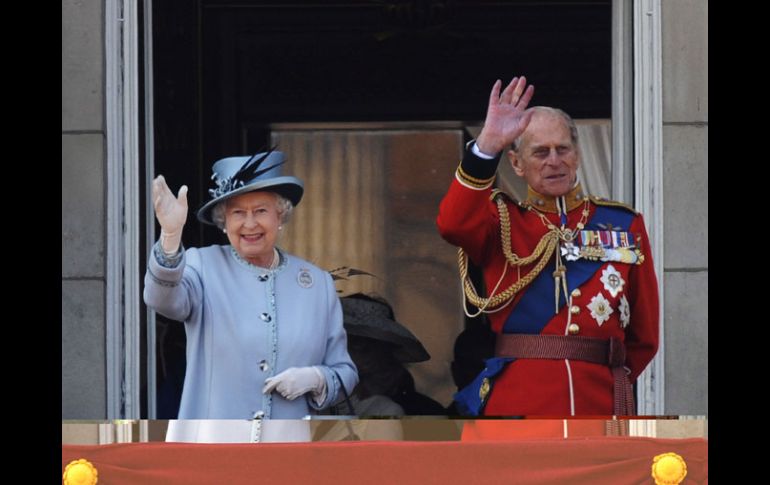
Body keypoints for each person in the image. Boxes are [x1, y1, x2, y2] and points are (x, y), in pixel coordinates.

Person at [436, 76, 659, 416]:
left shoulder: (624, 225)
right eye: (540, 152)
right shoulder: (501, 221)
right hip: (520, 403)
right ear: (516, 164)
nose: (554, 160)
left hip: (598, 402)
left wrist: (611, 381)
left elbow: (644, 336)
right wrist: (487, 147)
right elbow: (452, 223)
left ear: (578, 155)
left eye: (562, 149)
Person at [144, 149, 358, 442]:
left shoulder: (317, 284)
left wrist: (317, 378)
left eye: (260, 211)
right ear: (224, 221)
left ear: (280, 215)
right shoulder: (201, 267)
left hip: (289, 453)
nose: (250, 224)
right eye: (238, 213)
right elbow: (162, 300)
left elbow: (345, 372)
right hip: (215, 452)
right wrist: (170, 238)